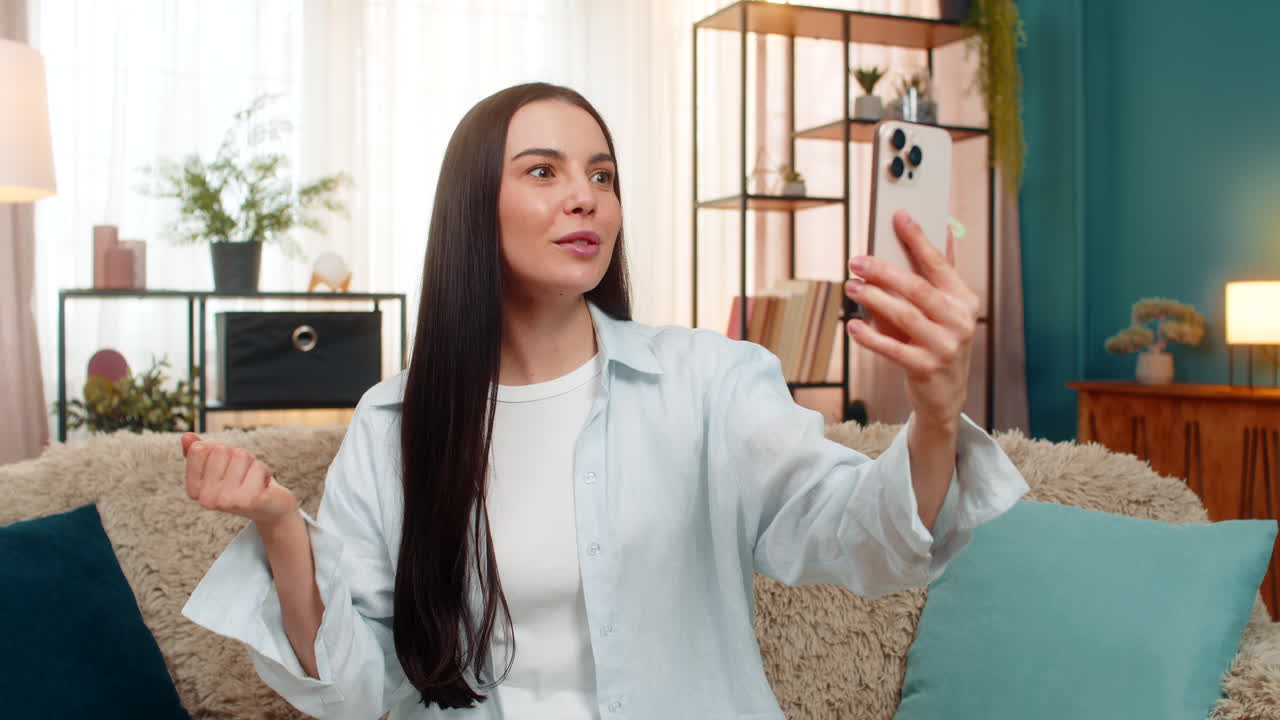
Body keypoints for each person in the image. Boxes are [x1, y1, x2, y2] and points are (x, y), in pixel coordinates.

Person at [181, 82, 1028, 720]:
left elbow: (860, 538)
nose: (585, 196)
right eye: (543, 171)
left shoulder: (709, 383)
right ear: (476, 208)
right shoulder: (397, 423)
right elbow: (359, 689)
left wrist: (936, 414)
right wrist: (283, 527)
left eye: (602, 174)